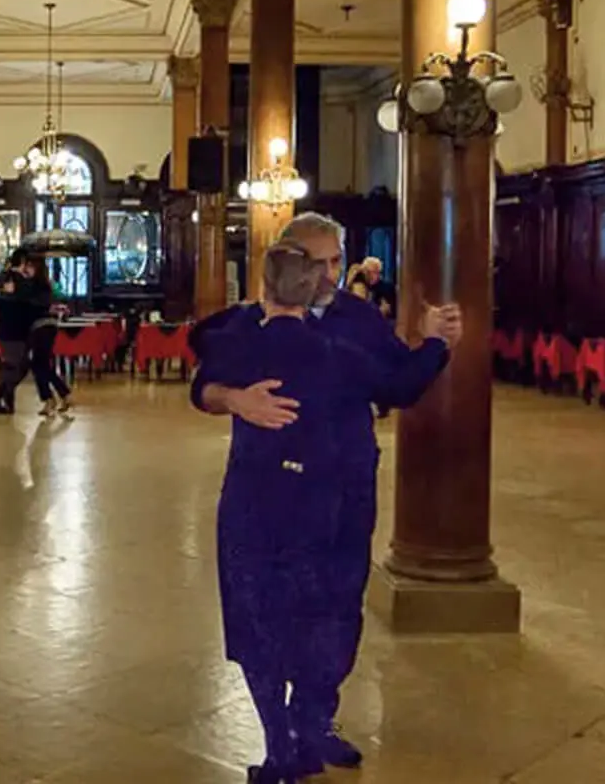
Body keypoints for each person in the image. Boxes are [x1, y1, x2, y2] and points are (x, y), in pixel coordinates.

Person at [193, 213, 460, 768]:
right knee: (262, 609)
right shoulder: (245, 323)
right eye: (321, 263)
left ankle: (312, 723)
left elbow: (398, 380)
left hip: (343, 490)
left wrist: (433, 342)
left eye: (339, 260)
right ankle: (280, 739)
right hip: (262, 493)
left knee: (335, 610)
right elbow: (203, 388)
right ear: (293, 261)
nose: (332, 274)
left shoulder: (356, 319)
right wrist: (235, 399)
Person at [0, 250, 51, 415]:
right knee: (16, 367)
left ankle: (6, 399)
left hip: (12, 329)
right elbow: (24, 300)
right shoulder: (18, 280)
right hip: (14, 329)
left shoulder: (6, 278)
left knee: (17, 366)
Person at [22, 256, 74, 417]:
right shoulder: (46, 285)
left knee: (39, 364)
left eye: (29, 266)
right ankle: (59, 395)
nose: (26, 269)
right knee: (41, 365)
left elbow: (37, 305)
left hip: (42, 328)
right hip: (45, 327)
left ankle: (52, 397)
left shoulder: (37, 286)